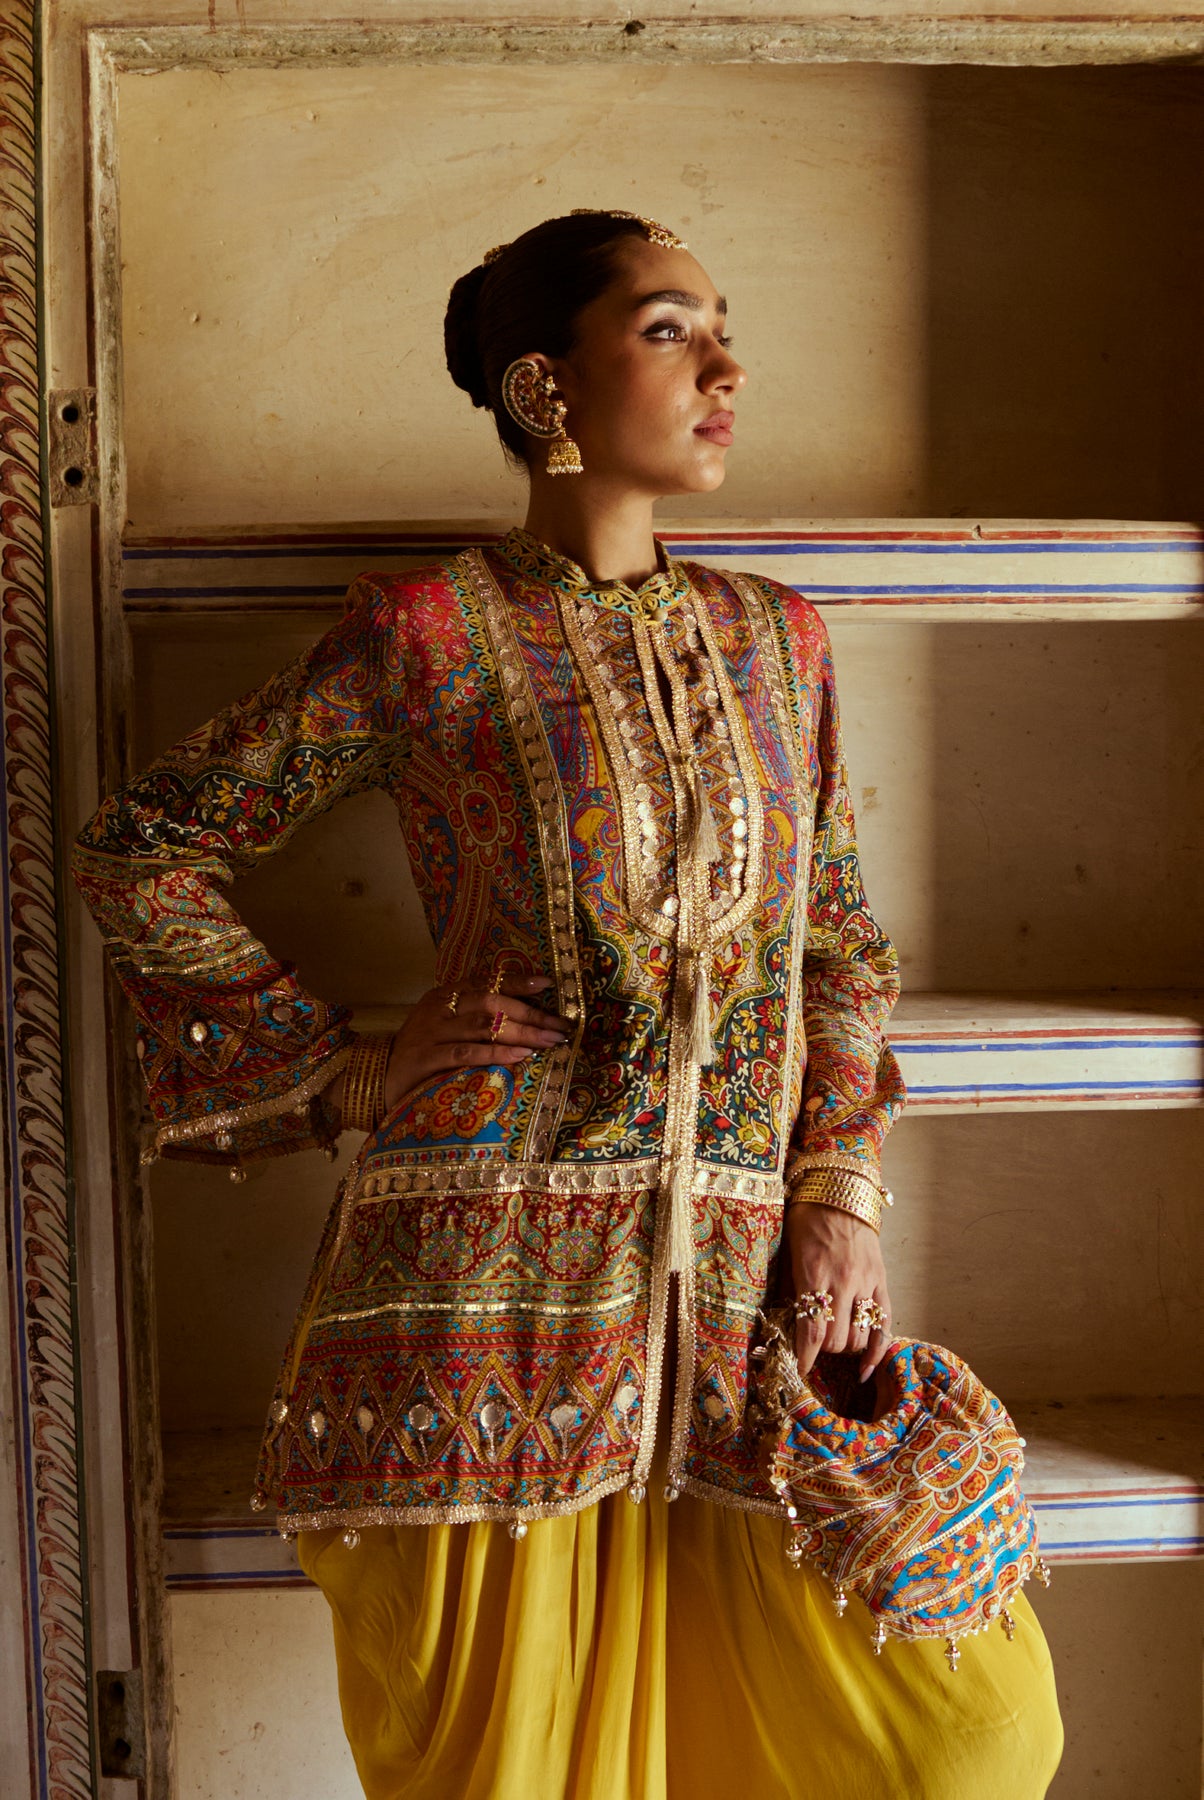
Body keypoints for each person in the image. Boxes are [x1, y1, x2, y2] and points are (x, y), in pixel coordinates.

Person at [74, 209, 1062, 1799]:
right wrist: (349, 1070)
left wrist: (839, 1194)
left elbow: (837, 945)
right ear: (545, 386)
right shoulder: (428, 637)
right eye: (672, 330)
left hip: (741, 1298)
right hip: (479, 1312)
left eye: (724, 331)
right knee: (510, 1775)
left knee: (971, 1739)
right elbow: (140, 851)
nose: (727, 369)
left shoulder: (774, 640)